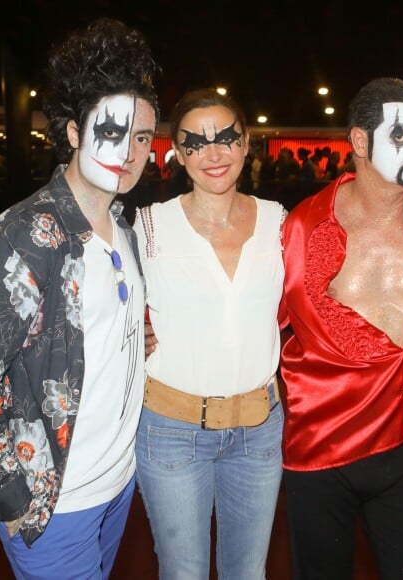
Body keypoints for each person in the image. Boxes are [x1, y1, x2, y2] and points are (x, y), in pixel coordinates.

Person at [278, 77, 403, 579]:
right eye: (401, 135)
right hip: (320, 451)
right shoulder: (300, 228)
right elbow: (247, 314)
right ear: (360, 142)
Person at [0, 17, 160, 579]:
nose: (129, 151)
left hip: (117, 484)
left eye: (141, 137)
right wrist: (12, 492)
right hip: (53, 502)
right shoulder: (25, 232)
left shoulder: (124, 222)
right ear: (72, 132)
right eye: (111, 132)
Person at [134, 88, 285, 579]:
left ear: (246, 144)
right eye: (195, 143)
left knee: (249, 573)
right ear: (177, 153)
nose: (213, 154)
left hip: (258, 431)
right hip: (171, 432)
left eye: (226, 138)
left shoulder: (279, 222)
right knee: (183, 574)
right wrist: (129, 330)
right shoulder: (147, 229)